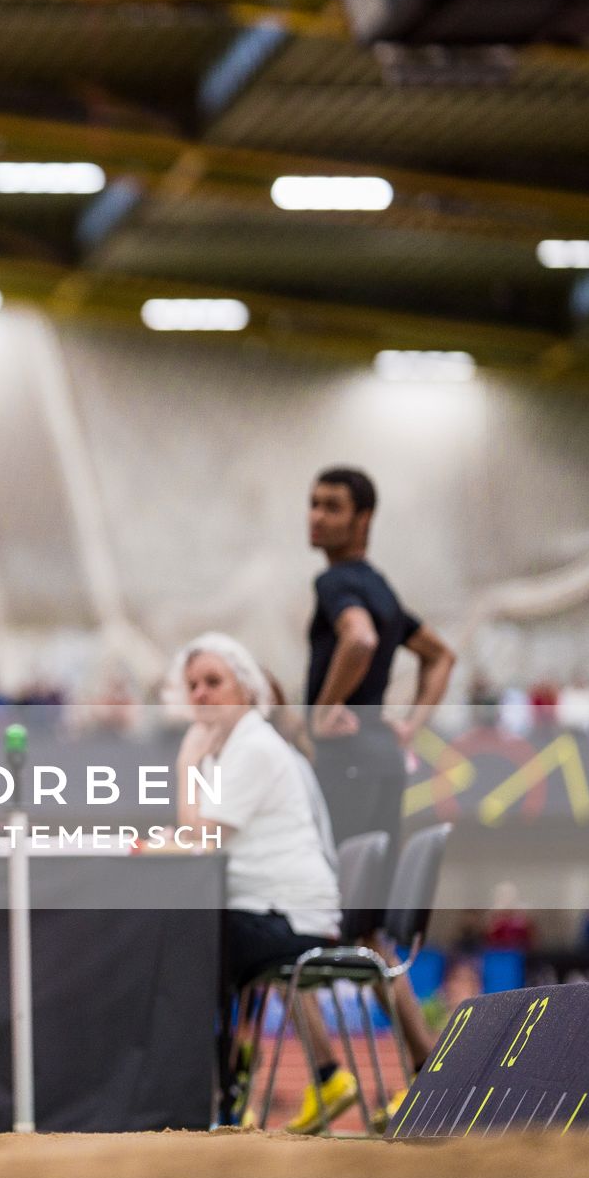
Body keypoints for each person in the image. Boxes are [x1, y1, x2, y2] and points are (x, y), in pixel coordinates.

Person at [171, 633, 350, 1135]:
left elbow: (199, 837)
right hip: (270, 911)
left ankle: (221, 1097)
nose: (201, 694)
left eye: (213, 682)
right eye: (192, 686)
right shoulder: (231, 751)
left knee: (190, 942)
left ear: (246, 689)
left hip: (291, 919)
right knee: (193, 936)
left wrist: (185, 764)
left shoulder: (251, 747)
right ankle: (226, 1095)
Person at [305, 467, 455, 892]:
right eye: (313, 504)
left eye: (332, 507)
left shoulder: (335, 582)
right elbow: (441, 656)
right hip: (383, 759)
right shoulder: (378, 586)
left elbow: (360, 638)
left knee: (336, 892)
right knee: (371, 897)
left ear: (363, 519)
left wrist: (324, 709)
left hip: (347, 757)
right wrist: (411, 727)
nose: (316, 516)